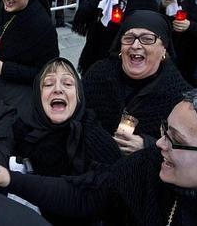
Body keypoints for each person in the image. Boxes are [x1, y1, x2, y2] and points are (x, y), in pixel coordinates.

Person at [0, 81, 197, 225]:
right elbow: (87, 194)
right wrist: (8, 179)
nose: (159, 144)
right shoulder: (150, 165)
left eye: (175, 140)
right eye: (165, 130)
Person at [13, 57, 121, 225]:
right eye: (48, 84)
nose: (58, 89)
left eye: (68, 84)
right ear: (37, 96)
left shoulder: (95, 137)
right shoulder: (23, 130)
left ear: (79, 97)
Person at [82, 10, 191, 156]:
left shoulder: (180, 97)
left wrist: (149, 145)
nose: (135, 45)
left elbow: (187, 148)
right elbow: (77, 115)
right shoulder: (98, 74)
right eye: (129, 38)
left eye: (147, 39)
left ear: (163, 48)